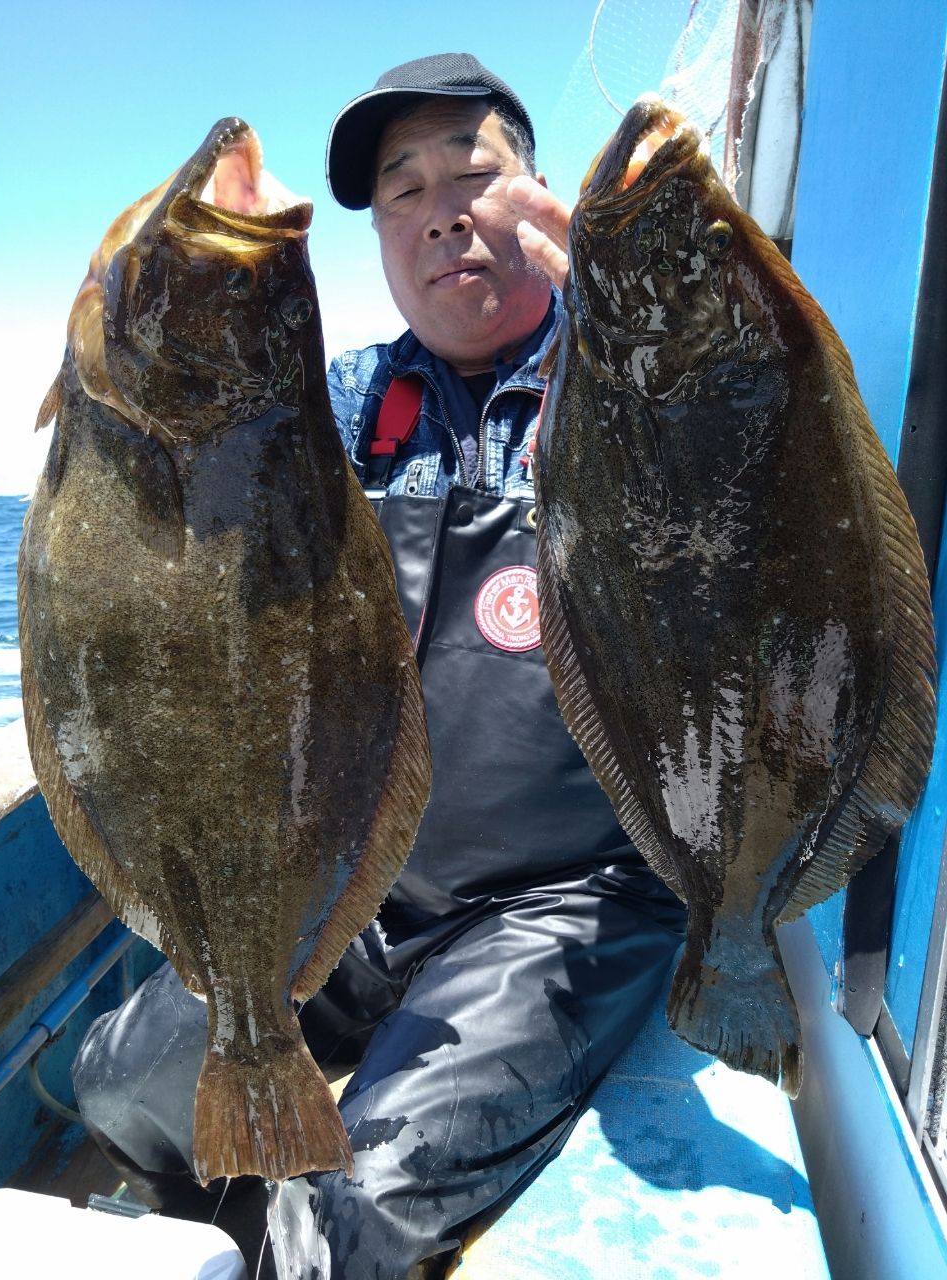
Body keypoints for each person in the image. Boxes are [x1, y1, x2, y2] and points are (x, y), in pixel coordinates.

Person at [72, 53, 687, 1280]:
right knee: (116, 1080)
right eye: (401, 192)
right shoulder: (344, 404)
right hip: (360, 878)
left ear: (541, 194)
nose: (440, 209)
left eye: (473, 171)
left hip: (560, 898)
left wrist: (649, 332)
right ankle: (231, 1198)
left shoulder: (639, 380)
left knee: (349, 1217)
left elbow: (742, 530)